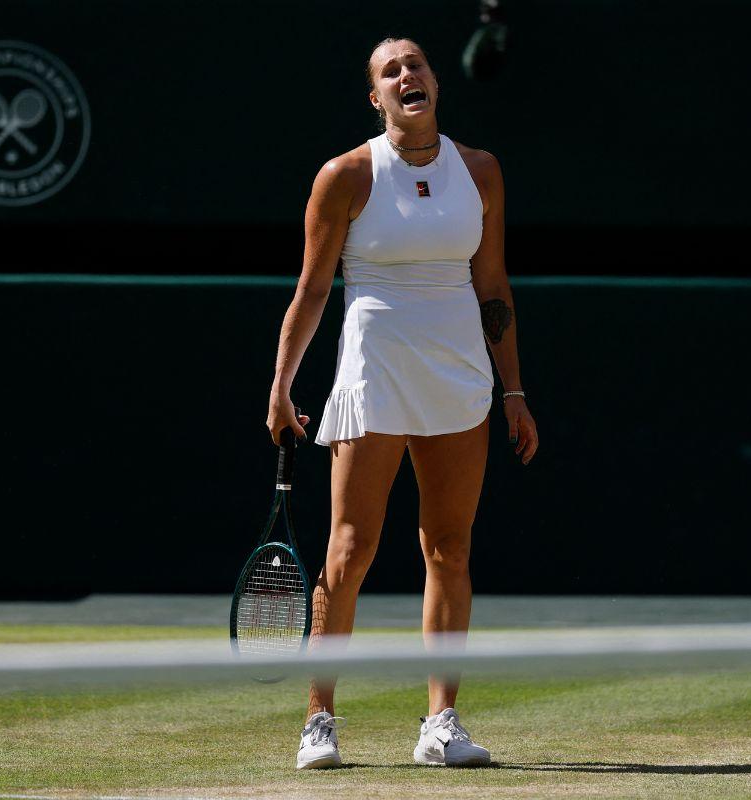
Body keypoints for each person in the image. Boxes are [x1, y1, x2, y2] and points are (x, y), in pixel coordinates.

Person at [266, 36, 538, 769]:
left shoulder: (479, 172)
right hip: (373, 372)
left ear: (434, 84)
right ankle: (318, 722)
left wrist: (512, 390)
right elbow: (313, 289)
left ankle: (441, 724)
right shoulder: (347, 175)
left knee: (449, 549)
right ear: (376, 98)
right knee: (349, 550)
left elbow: (493, 287)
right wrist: (282, 383)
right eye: (391, 71)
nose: (406, 76)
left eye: (415, 65)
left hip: (458, 375)